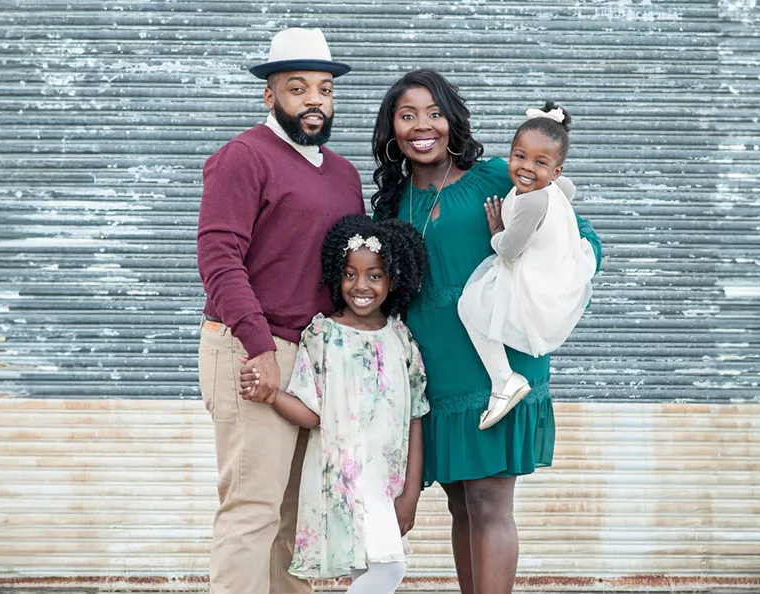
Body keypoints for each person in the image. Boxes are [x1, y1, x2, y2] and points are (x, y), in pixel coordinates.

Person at [370, 69, 603, 594]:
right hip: (436, 368)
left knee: (488, 500)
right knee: (458, 500)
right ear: (393, 130)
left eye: (434, 113)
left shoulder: (498, 175)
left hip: (499, 364)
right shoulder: (392, 202)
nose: (422, 126)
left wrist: (542, 295)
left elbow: (582, 242)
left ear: (452, 121)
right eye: (408, 116)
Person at [196, 28, 363, 594]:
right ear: (271, 97)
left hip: (316, 357)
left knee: (298, 517)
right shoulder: (243, 157)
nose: (314, 100)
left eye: (324, 89)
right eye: (297, 88)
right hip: (251, 348)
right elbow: (219, 259)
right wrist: (260, 347)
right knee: (253, 510)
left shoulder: (343, 174)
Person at [240, 215, 430, 594]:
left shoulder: (401, 338)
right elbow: (313, 415)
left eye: (374, 275)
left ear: (394, 277)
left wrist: (411, 492)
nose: (361, 286)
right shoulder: (321, 334)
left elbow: (415, 418)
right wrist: (272, 393)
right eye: (350, 274)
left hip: (386, 484)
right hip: (343, 478)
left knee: (373, 571)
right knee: (388, 570)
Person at [457, 101, 598, 430]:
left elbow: (508, 250)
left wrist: (496, 230)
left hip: (530, 281)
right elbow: (570, 190)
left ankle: (504, 379)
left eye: (540, 162)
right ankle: (504, 380)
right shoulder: (554, 187)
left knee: (470, 307)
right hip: (550, 274)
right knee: (479, 308)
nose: (526, 168)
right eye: (519, 156)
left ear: (556, 171)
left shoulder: (533, 201)